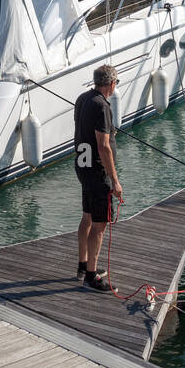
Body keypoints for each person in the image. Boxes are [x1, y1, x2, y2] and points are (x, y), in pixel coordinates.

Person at [74, 63, 122, 293]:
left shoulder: (83, 98)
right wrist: (115, 180)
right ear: (111, 84)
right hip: (96, 172)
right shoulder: (102, 106)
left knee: (87, 217)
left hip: (82, 167)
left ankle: (83, 265)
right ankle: (91, 276)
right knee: (100, 225)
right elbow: (103, 147)